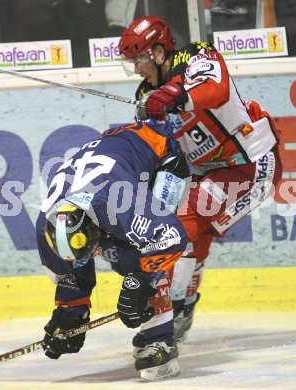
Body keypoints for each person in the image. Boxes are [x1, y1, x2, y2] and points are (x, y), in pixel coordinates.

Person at [118, 16, 282, 342]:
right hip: (208, 171)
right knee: (186, 233)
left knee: (185, 220)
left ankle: (170, 303)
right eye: (131, 62)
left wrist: (173, 95)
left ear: (161, 51)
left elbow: (216, 90)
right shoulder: (146, 92)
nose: (136, 69)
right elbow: (161, 149)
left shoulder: (197, 56)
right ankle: (183, 302)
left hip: (252, 163)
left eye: (139, 58)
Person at [36, 119, 192, 380]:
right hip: (112, 163)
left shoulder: (120, 201)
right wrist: (71, 311)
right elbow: (70, 266)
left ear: (97, 227)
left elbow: (171, 237)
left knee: (140, 253)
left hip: (162, 154)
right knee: (109, 251)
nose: (96, 253)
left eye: (94, 245)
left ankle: (160, 338)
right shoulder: (47, 225)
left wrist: (139, 283)